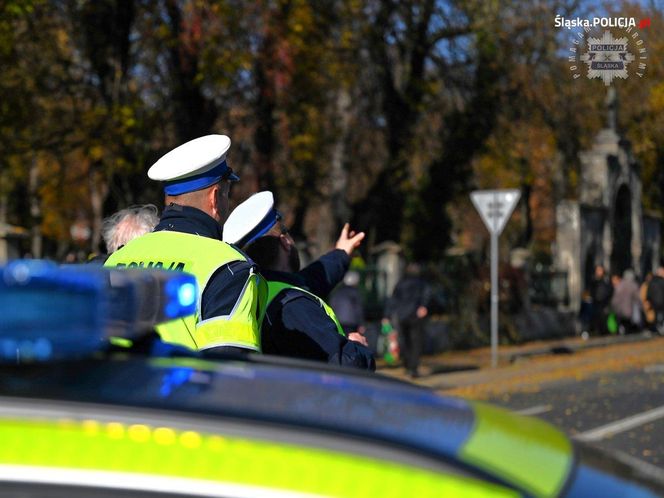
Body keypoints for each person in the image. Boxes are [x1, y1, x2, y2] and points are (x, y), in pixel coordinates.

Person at [105, 134, 263, 354]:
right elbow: (229, 370)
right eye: (227, 194)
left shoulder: (116, 259)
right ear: (215, 198)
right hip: (186, 388)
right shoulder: (228, 266)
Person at [223, 191, 375, 370]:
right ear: (284, 241)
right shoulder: (294, 305)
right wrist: (358, 347)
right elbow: (345, 364)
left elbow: (313, 278)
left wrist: (341, 254)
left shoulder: (258, 292)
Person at [383, 263, 431, 378]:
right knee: (415, 342)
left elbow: (393, 300)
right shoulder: (421, 284)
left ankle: (408, 365)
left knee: (405, 341)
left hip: (402, 316)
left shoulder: (400, 284)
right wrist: (424, 306)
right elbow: (427, 295)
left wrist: (387, 315)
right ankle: (413, 368)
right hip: (415, 315)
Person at [328, 270, 365, 336]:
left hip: (338, 321)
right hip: (351, 322)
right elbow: (358, 309)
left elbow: (332, 305)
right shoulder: (355, 293)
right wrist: (361, 324)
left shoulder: (337, 292)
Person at [610, 269, 641, 334]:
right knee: (629, 324)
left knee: (622, 323)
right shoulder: (633, 285)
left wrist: (614, 307)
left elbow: (615, 299)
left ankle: (623, 331)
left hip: (620, 309)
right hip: (630, 309)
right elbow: (637, 297)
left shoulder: (620, 285)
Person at [589, 264, 613, 335]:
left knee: (604, 317)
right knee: (597, 318)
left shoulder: (605, 281)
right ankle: (597, 331)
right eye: (598, 270)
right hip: (596, 303)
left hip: (604, 303)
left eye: (601, 270)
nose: (600, 272)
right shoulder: (594, 281)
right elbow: (592, 292)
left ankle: (604, 331)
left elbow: (609, 290)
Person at [646, 266, 664, 334]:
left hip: (654, 304)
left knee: (656, 317)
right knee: (661, 317)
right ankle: (660, 329)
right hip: (662, 303)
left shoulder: (651, 282)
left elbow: (648, 294)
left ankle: (658, 328)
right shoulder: (662, 281)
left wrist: (649, 301)